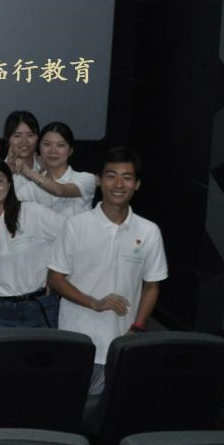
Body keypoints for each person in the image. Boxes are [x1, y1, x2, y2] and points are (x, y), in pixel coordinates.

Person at [47, 148, 167, 394]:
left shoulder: (149, 231)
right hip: (77, 341)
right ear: (99, 180)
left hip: (122, 344)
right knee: (71, 407)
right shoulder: (76, 225)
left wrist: (137, 328)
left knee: (114, 410)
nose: (119, 184)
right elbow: (55, 279)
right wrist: (94, 303)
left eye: (127, 177)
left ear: (137, 184)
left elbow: (152, 285)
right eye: (111, 176)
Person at [0, 156, 65, 329]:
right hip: (1, 309)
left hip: (40, 304)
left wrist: (57, 275)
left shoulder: (32, 212)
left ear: (9, 184)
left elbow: (71, 237)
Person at [16, 121, 96, 217]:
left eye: (60, 145)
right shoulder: (30, 188)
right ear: (39, 148)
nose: (53, 151)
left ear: (70, 150)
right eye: (47, 144)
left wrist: (27, 171)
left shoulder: (86, 179)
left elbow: (60, 190)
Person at [0, 110, 42, 202]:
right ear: (7, 138)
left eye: (30, 135)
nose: (24, 141)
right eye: (17, 136)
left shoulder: (45, 168)